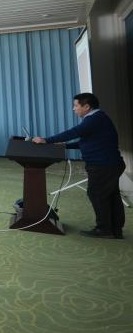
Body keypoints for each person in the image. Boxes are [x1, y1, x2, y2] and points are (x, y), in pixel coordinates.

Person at [33, 93, 126, 239]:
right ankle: (115, 229)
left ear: (87, 106)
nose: (73, 109)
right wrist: (65, 146)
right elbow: (85, 142)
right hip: (110, 164)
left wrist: (47, 140)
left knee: (97, 195)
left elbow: (74, 132)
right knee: (111, 196)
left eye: (76, 105)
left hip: (103, 165)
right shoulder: (99, 118)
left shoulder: (94, 119)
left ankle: (104, 230)